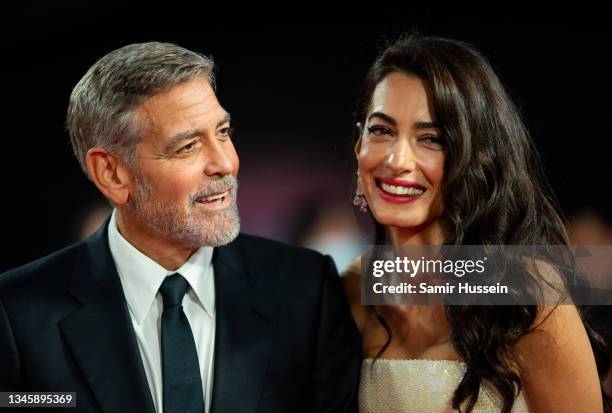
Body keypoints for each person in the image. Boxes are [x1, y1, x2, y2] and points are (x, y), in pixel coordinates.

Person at [0, 42, 361, 413]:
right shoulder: (17, 313)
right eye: (187, 146)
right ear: (112, 173)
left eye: (223, 132)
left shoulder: (305, 289)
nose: (225, 163)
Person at [342, 35, 608, 412]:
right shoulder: (354, 290)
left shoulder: (527, 296)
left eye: (431, 138)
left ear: (474, 158)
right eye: (381, 130)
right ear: (359, 147)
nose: (397, 160)